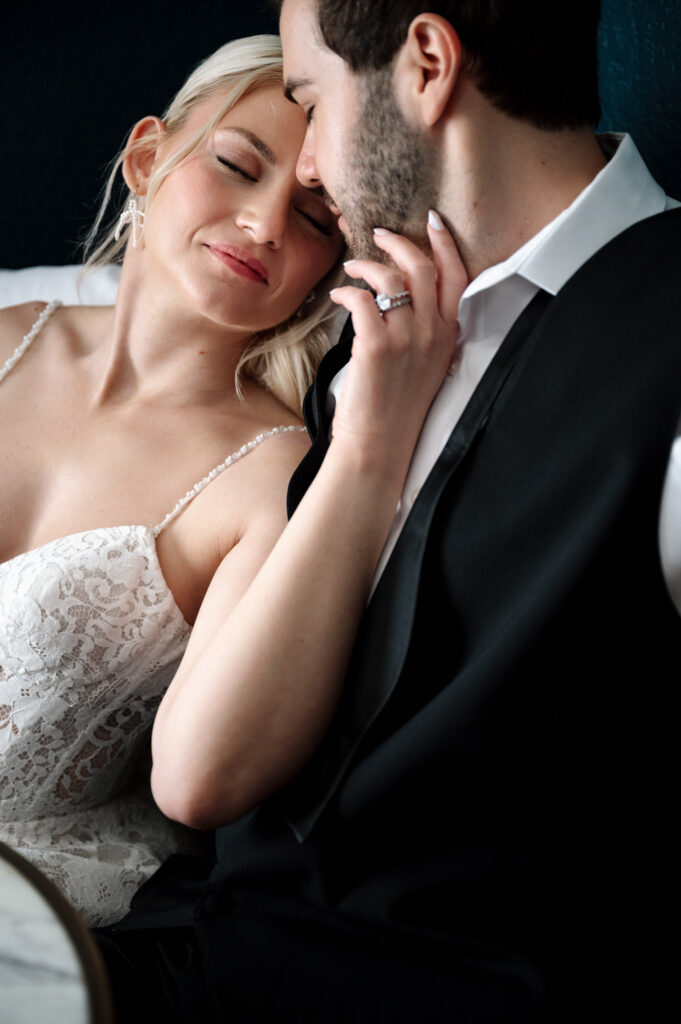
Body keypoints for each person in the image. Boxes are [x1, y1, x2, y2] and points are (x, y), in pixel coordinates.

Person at [96, 1, 681, 1020]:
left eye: (311, 102)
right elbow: (199, 779)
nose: (310, 167)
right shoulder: (364, 333)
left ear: (425, 63)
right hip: (183, 964)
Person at [0, 33, 345, 928]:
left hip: (38, 917)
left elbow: (206, 782)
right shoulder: (4, 341)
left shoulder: (269, 479)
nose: (265, 223)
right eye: (236, 165)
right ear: (148, 157)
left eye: (316, 219)